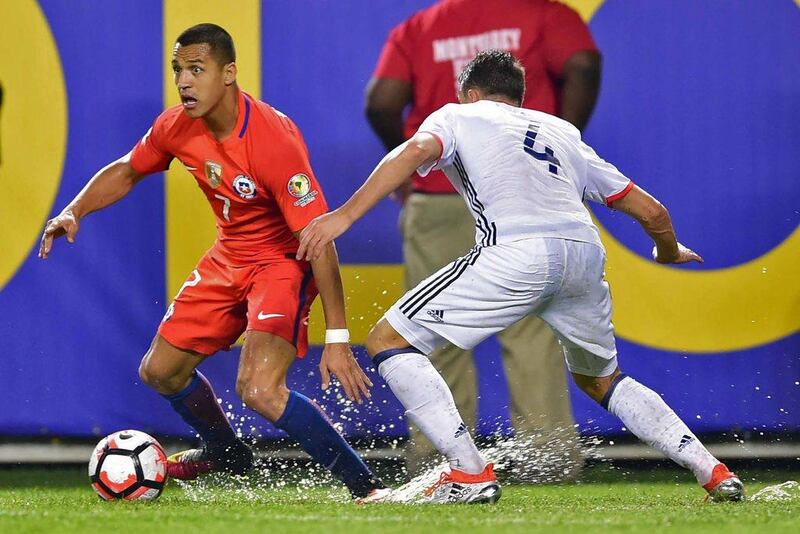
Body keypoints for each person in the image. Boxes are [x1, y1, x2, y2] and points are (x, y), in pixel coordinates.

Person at [298, 50, 744, 504]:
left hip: (515, 250)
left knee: (388, 341)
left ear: (471, 94)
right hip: (583, 254)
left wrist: (344, 216)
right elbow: (652, 211)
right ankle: (714, 472)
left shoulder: (458, 114)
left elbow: (415, 151)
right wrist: (667, 251)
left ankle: (469, 474)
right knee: (601, 380)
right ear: (518, 96)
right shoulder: (561, 131)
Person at [38, 23, 388, 501]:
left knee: (259, 390)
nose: (183, 81)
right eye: (178, 70)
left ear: (229, 74)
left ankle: (367, 487)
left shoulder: (273, 139)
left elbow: (319, 238)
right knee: (159, 371)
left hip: (282, 261)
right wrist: (74, 210)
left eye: (196, 70)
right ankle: (226, 452)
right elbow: (127, 169)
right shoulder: (176, 125)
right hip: (229, 255)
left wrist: (339, 337)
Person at [365, 0, 601, 477]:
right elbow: (583, 63)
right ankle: (550, 461)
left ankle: (440, 463)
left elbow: (382, 102)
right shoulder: (543, 14)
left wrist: (414, 169)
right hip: (522, 198)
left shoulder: (421, 26)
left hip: (441, 197)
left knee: (431, 332)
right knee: (532, 331)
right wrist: (567, 139)